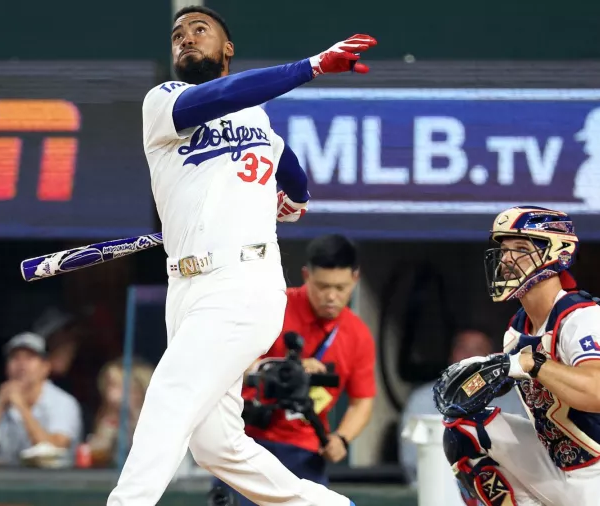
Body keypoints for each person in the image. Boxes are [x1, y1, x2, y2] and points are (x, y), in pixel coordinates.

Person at [106, 6, 376, 506]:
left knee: (170, 394)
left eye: (200, 30)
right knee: (216, 446)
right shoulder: (164, 101)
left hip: (242, 280)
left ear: (227, 48)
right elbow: (230, 94)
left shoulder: (260, 125)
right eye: (177, 35)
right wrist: (310, 67)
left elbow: (293, 177)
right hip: (185, 289)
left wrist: (294, 201)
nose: (186, 38)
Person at [440, 206, 600, 505]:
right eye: (504, 249)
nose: (507, 259)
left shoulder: (582, 317)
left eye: (520, 248)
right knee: (464, 429)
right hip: (559, 467)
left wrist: (533, 364)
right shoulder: (516, 331)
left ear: (555, 253)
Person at [212, 234, 376, 505]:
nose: (332, 297)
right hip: (247, 439)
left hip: (306, 450)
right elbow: (229, 364)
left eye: (341, 287)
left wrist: (342, 439)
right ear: (306, 275)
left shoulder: (358, 334)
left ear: (355, 279)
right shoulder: (274, 307)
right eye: (322, 286)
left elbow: (362, 401)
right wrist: (285, 368)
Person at [398, 329, 525, 485]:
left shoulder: (514, 401)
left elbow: (525, 460)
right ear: (451, 356)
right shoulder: (422, 400)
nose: (469, 356)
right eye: (462, 348)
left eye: (478, 350)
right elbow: (411, 463)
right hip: (435, 491)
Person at [0, 332, 83, 467]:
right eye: (15, 358)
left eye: (29, 358)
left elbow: (54, 449)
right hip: (7, 482)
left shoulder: (63, 403)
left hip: (52, 482)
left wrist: (21, 407)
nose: (21, 365)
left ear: (45, 367)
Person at [86, 357, 155, 467]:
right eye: (108, 385)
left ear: (138, 390)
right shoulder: (108, 415)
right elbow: (96, 450)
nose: (110, 394)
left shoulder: (155, 419)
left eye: (116, 386)